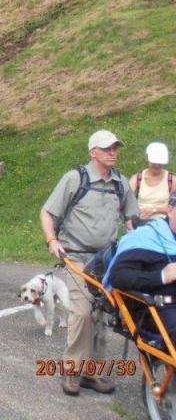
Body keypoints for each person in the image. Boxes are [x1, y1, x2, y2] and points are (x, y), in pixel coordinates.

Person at [40, 130, 138, 396]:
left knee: (101, 316)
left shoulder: (120, 182)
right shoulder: (75, 179)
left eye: (115, 147)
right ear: (92, 151)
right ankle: (72, 371)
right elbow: (48, 212)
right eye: (107, 148)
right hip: (77, 257)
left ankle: (91, 373)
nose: (113, 152)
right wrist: (51, 240)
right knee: (82, 312)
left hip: (107, 261)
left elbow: (131, 219)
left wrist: (136, 242)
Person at [105, 192, 176, 336]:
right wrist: (162, 276)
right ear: (170, 209)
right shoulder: (146, 237)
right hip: (160, 307)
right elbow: (118, 276)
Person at [129, 142, 175, 221]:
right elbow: (126, 201)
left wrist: (154, 210)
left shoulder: (171, 180)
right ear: (147, 158)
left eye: (160, 162)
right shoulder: (137, 178)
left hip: (163, 222)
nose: (157, 165)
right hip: (140, 220)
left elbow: (173, 209)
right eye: (154, 162)